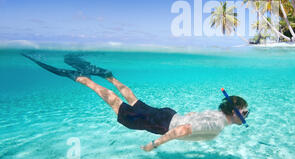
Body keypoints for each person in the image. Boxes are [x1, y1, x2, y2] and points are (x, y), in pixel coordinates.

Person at [22, 53, 249, 152]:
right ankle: (81, 78)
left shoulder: (216, 115)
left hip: (168, 115)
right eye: (245, 113)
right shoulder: (217, 125)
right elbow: (182, 130)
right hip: (163, 125)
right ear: (234, 112)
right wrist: (154, 145)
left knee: (133, 99)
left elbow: (191, 115)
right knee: (118, 105)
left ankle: (108, 75)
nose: (247, 116)